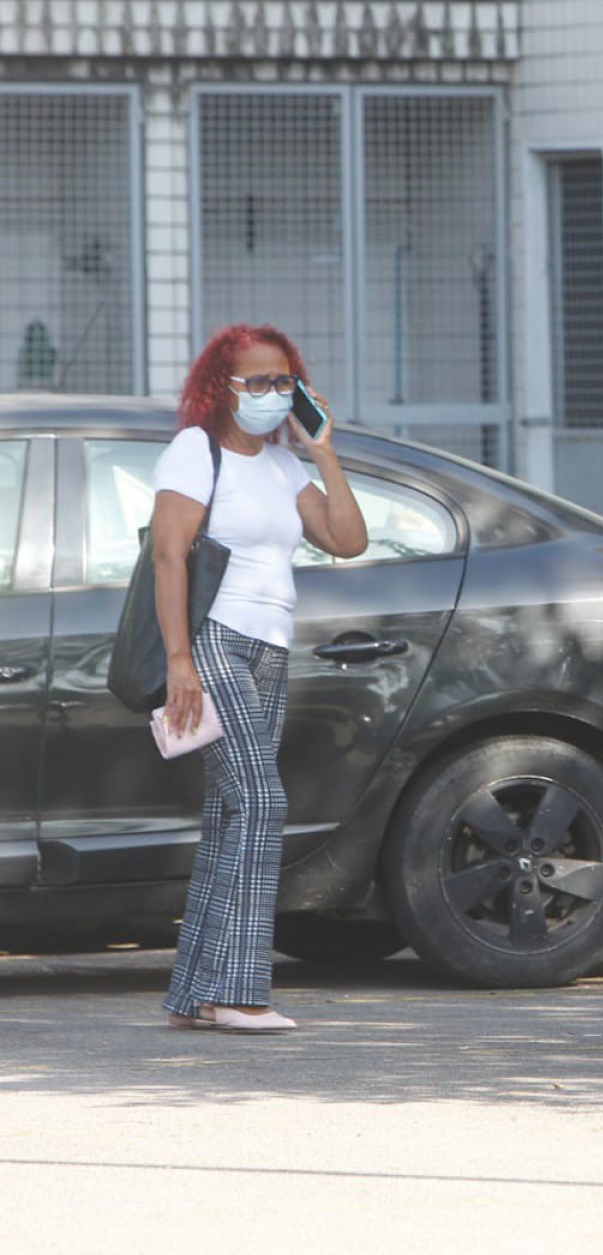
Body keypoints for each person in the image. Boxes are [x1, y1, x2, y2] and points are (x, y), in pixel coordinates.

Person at [156, 325, 368, 1033]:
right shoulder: (197, 451)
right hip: (216, 639)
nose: (272, 394)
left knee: (230, 814)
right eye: (257, 382)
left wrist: (323, 450)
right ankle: (240, 992)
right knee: (262, 802)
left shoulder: (283, 466)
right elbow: (167, 559)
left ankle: (195, 994)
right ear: (222, 386)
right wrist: (179, 661)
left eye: (284, 382)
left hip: (271, 650)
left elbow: (347, 540)